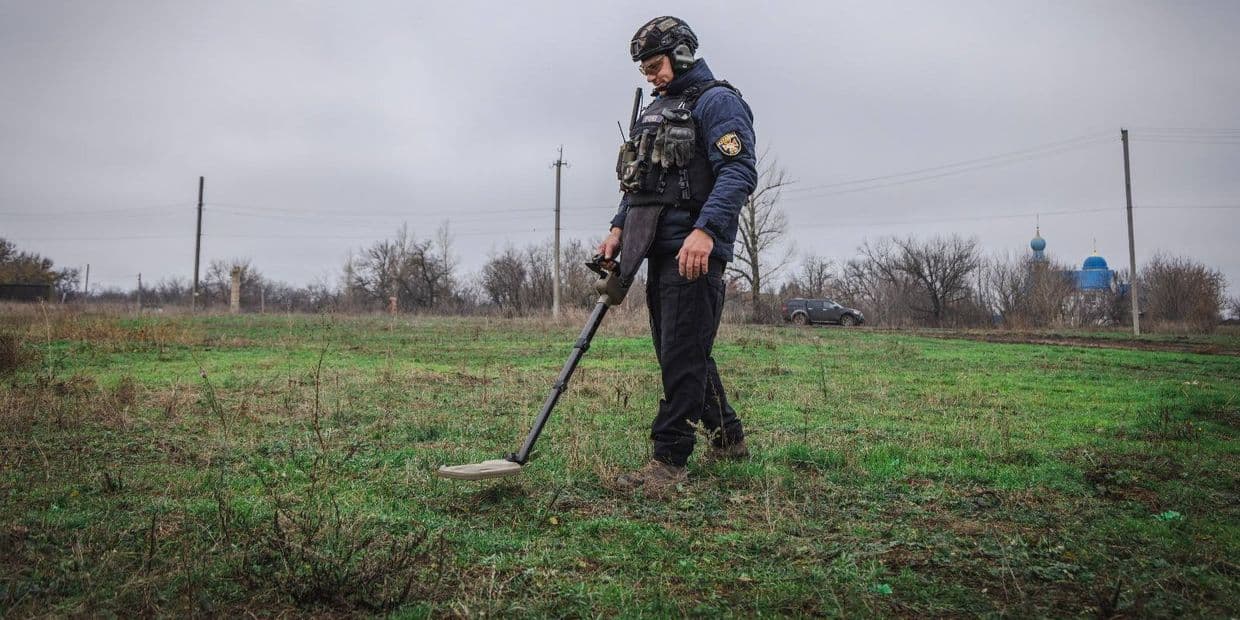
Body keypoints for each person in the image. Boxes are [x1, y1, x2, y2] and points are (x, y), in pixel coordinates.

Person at [598, 16, 757, 494]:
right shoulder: (658, 110)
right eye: (644, 69)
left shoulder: (718, 102)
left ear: (683, 53)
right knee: (681, 353)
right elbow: (640, 181)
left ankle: (668, 462)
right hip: (656, 247)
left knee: (682, 356)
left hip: (694, 251)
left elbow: (739, 172)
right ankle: (728, 438)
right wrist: (618, 226)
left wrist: (705, 231)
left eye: (656, 65)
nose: (650, 75)